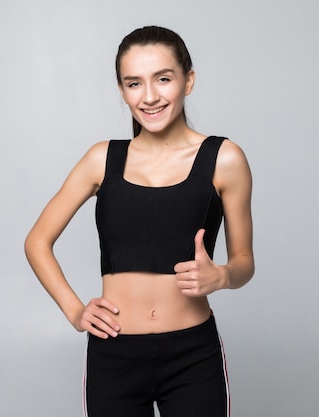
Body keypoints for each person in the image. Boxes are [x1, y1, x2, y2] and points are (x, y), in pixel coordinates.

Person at [24, 25, 254, 417]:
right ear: (122, 90)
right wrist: (76, 311)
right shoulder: (102, 159)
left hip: (192, 355)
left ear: (188, 80)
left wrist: (223, 276)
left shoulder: (225, 159)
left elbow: (244, 262)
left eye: (163, 79)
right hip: (114, 354)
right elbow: (37, 241)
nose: (149, 96)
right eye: (134, 83)